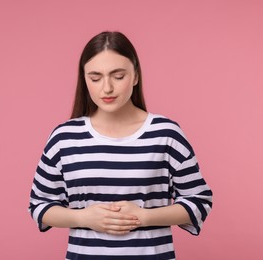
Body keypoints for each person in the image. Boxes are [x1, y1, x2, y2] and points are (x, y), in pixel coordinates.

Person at [28, 31, 213, 259]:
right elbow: (39, 205)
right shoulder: (64, 138)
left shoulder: (166, 134)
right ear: (84, 80)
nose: (107, 88)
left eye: (118, 76)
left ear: (135, 76)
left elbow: (199, 201)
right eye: (95, 78)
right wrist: (83, 218)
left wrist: (143, 217)